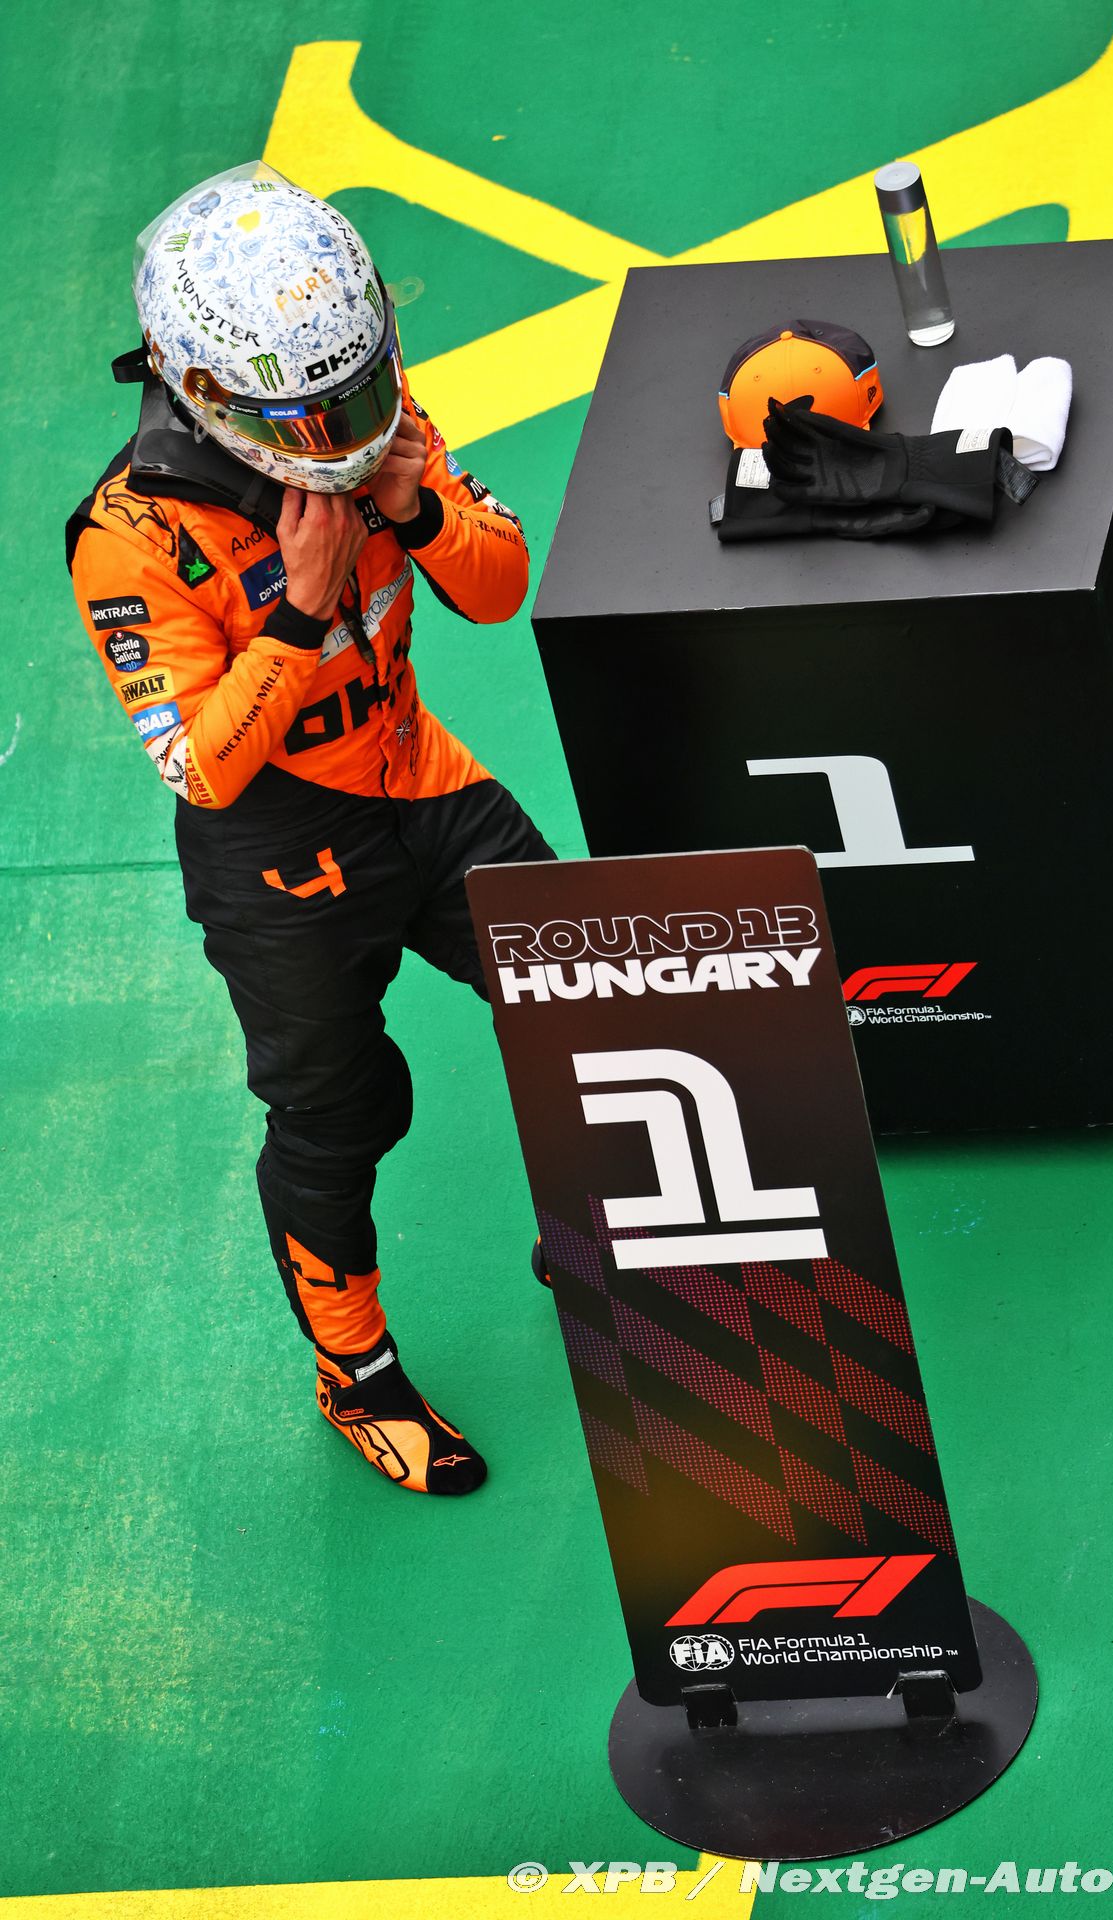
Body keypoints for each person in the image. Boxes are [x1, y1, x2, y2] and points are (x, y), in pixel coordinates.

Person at [66, 165, 554, 1498]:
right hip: (278, 858)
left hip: (422, 782)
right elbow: (204, 770)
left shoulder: (371, 418)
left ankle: (607, 1235)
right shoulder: (128, 539)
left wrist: (418, 507)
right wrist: (297, 611)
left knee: (586, 990)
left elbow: (498, 588)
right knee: (339, 1118)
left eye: (359, 391)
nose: (345, 431)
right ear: (206, 391)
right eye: (314, 415)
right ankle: (358, 1375)